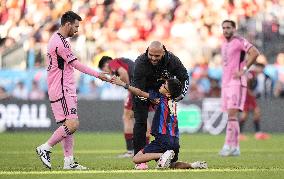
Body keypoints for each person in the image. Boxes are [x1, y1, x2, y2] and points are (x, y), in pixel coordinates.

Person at [36, 11, 109, 170]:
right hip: (61, 89)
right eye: (75, 26)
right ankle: (45, 147)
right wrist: (98, 75)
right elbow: (76, 64)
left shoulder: (60, 39)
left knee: (68, 126)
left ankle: (68, 162)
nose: (77, 30)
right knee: (73, 124)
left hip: (65, 88)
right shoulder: (59, 43)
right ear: (67, 24)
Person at [112, 76, 207, 169]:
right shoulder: (173, 101)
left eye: (164, 85)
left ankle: (163, 155)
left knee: (136, 158)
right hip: (175, 141)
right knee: (171, 164)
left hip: (163, 139)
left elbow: (139, 92)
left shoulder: (160, 98)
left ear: (168, 94)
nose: (162, 85)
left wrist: (122, 84)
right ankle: (193, 165)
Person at [132, 41, 189, 169]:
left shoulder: (173, 60)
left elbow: (184, 77)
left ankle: (168, 155)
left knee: (169, 122)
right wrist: (151, 98)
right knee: (140, 122)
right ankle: (141, 161)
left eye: (156, 56)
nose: (153, 58)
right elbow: (137, 89)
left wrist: (180, 95)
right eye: (150, 55)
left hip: (163, 92)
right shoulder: (140, 63)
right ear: (147, 51)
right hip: (144, 92)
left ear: (163, 53)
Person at [219, 20, 260, 157]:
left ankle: (227, 145)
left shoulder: (239, 41)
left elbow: (254, 52)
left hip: (236, 83)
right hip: (225, 84)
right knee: (231, 116)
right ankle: (235, 147)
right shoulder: (224, 44)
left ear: (234, 29)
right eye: (223, 28)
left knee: (232, 114)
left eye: (228, 27)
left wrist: (244, 69)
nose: (225, 30)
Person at [98, 56, 151, 158]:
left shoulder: (112, 62)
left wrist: (127, 88)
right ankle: (146, 149)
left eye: (104, 70)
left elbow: (123, 73)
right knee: (143, 117)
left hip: (137, 87)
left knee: (127, 116)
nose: (107, 72)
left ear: (105, 64)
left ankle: (130, 151)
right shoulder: (123, 61)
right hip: (145, 86)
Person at [239, 57, 271, 141]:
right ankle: (239, 134)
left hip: (249, 96)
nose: (261, 69)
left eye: (262, 68)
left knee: (256, 112)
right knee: (245, 114)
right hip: (246, 96)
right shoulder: (251, 74)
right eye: (260, 67)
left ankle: (258, 133)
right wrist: (251, 93)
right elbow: (246, 85)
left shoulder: (255, 75)